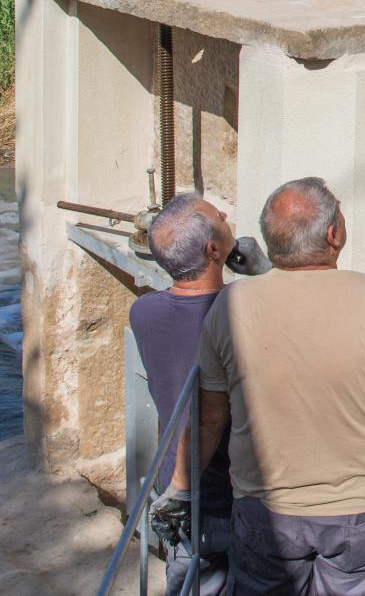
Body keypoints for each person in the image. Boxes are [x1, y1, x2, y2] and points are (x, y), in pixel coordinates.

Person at [164, 176, 365, 596]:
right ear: (333, 234)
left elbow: (209, 418)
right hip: (358, 514)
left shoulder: (231, 306)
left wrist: (179, 489)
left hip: (264, 513)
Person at [130, 193, 238, 596]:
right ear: (213, 249)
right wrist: (260, 272)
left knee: (189, 582)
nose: (226, 216)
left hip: (175, 487)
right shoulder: (240, 316)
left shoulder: (144, 312)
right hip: (229, 490)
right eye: (219, 219)